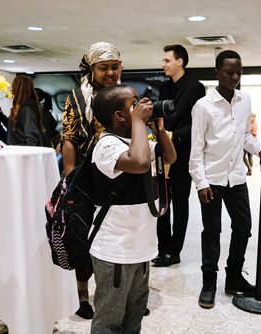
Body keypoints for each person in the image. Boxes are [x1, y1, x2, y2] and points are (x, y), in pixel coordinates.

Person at [189, 50, 261, 309]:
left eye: (238, 71)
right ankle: (209, 283)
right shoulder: (203, 106)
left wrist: (259, 148)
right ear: (217, 73)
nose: (235, 77)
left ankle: (234, 277)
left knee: (244, 228)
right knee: (212, 232)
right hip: (212, 180)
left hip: (236, 178)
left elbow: (245, 136)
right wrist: (201, 183)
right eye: (229, 72)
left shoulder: (244, 100)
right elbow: (196, 149)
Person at [89, 84, 176, 333]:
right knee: (110, 321)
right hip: (114, 250)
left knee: (134, 315)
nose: (143, 106)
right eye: (135, 104)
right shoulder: (106, 146)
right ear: (119, 116)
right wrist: (139, 124)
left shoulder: (137, 140)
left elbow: (169, 158)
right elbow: (138, 163)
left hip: (141, 248)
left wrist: (159, 132)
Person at [61, 41, 123, 319]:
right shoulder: (77, 97)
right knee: (83, 237)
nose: (110, 73)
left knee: (118, 236)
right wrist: (70, 176)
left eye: (114, 67)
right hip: (87, 178)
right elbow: (69, 138)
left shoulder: (124, 95)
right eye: (103, 68)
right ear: (92, 69)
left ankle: (119, 294)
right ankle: (83, 295)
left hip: (121, 175)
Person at [153, 44, 206, 267]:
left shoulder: (196, 88)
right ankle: (162, 248)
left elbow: (196, 125)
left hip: (183, 154)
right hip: (161, 154)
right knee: (162, 202)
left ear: (180, 62)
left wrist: (170, 133)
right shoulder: (164, 88)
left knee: (181, 203)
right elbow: (159, 117)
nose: (163, 64)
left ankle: (174, 252)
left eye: (167, 60)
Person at [7, 75, 49, 146]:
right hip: (19, 150)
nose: (12, 89)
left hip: (24, 152)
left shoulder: (27, 106)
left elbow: (31, 135)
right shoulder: (24, 106)